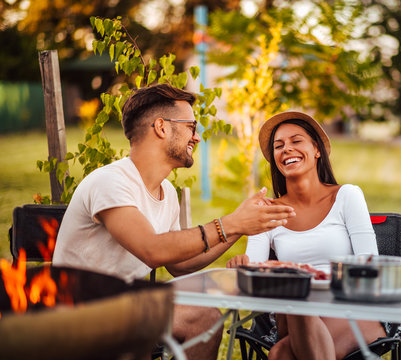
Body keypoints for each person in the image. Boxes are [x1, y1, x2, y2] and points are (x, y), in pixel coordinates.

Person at [52, 84, 296, 360]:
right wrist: (229, 223)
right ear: (161, 127)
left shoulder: (166, 192)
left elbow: (179, 264)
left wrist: (240, 226)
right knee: (194, 317)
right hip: (78, 314)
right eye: (191, 126)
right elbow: (153, 250)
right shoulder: (111, 181)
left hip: (120, 307)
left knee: (205, 316)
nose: (197, 137)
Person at [226, 111, 387, 360]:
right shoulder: (267, 211)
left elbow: (370, 266)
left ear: (317, 150)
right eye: (278, 146)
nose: (286, 149)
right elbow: (256, 274)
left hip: (350, 309)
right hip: (290, 311)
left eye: (296, 141)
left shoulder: (347, 196)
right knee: (295, 294)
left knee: (281, 353)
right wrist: (243, 266)